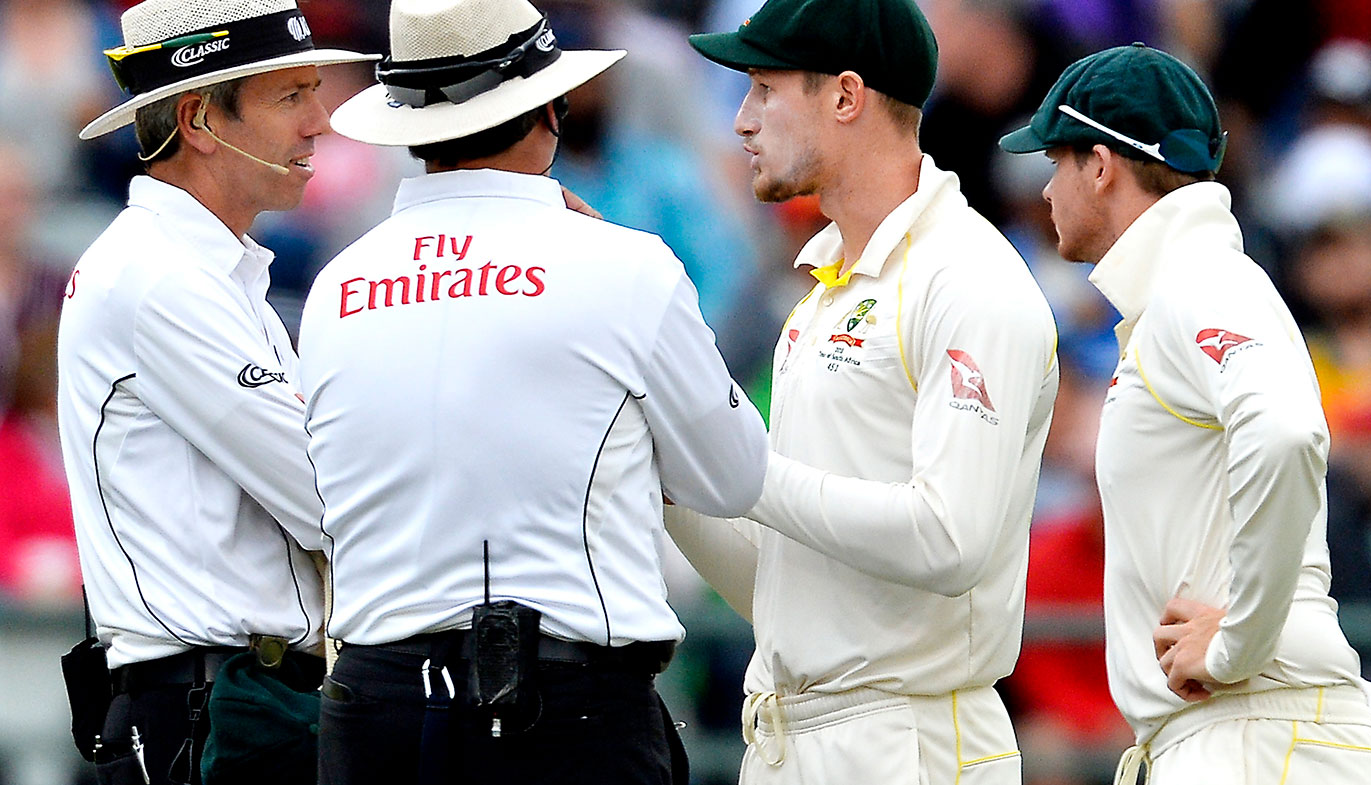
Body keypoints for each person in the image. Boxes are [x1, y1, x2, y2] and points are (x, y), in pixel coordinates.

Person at [298, 0, 769, 783]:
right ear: (550, 108)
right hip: (563, 711)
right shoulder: (623, 267)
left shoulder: (335, 285)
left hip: (371, 709)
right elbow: (734, 477)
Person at [667, 1, 1060, 783]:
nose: (741, 122)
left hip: (914, 743)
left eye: (763, 89)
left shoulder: (968, 279)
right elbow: (778, 589)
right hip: (796, 738)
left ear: (846, 97)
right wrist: (669, 469)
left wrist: (741, 467)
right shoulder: (820, 294)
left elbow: (950, 538)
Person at [999, 43, 1371, 784]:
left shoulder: (1198, 281)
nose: (1047, 190)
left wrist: (1237, 640)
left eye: (1055, 161)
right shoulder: (1187, 290)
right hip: (1250, 736)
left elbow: (1284, 431)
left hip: (1257, 736)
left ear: (1103, 165)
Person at [56, 1, 374, 782]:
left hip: (224, 705)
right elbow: (330, 498)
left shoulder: (197, 271)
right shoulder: (163, 279)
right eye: (292, 95)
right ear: (200, 120)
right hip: (212, 715)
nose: (321, 120)